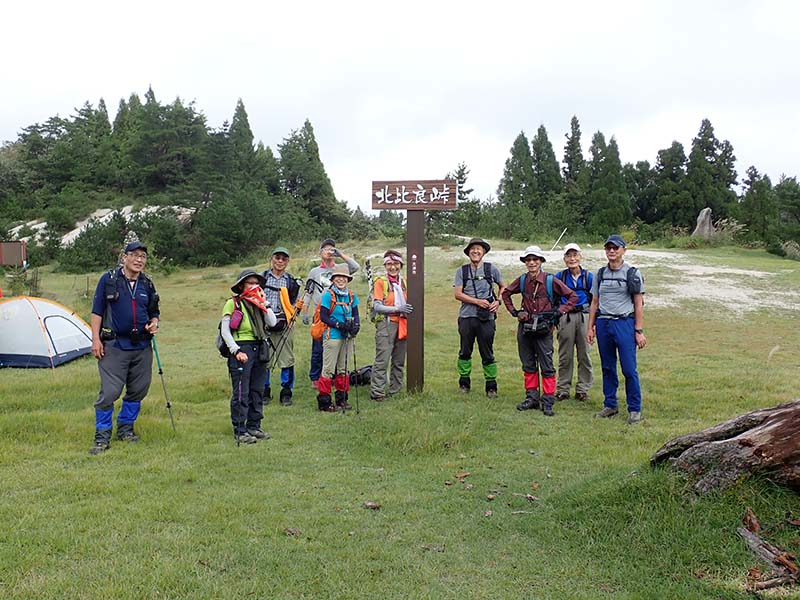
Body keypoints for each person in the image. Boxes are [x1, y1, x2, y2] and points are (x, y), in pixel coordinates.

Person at [88, 242, 160, 455]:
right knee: (110, 392)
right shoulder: (109, 280)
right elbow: (97, 311)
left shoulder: (147, 283)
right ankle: (101, 438)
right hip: (114, 345)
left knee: (139, 389)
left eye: (143, 257)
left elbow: (154, 310)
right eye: (135, 255)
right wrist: (95, 339)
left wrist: (154, 322)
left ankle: (125, 430)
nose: (139, 260)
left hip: (142, 345)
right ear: (124, 257)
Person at [501, 246, 577, 416]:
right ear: (525, 262)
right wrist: (515, 312)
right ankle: (532, 398)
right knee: (528, 364)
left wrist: (560, 311)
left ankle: (548, 400)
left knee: (547, 365)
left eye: (535, 259)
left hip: (544, 328)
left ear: (541, 261)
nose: (532, 263)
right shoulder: (522, 280)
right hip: (525, 328)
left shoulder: (550, 280)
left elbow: (573, 296)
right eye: (528, 260)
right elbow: (505, 293)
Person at [586, 234, 647, 424]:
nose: (612, 251)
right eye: (608, 248)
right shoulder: (600, 274)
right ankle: (610, 405)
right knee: (607, 367)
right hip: (604, 324)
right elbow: (594, 302)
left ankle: (634, 409)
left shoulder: (632, 273)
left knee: (629, 369)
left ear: (623, 251)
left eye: (616, 248)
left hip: (624, 324)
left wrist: (638, 331)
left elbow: (638, 303)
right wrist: (590, 328)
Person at [219, 269, 278, 444]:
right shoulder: (233, 303)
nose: (254, 286)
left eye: (256, 283)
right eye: (250, 283)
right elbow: (225, 331)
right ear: (241, 286)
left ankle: (254, 425)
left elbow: (272, 323)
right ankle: (240, 429)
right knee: (241, 392)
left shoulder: (260, 303)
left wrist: (264, 304)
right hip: (241, 349)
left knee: (257, 390)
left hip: (259, 348)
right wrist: (236, 351)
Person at [301, 239, 360, 388]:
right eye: (326, 249)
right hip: (321, 313)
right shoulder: (314, 271)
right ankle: (315, 378)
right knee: (318, 347)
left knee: (337, 345)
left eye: (332, 248)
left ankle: (333, 377)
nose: (329, 251)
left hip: (339, 312)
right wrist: (305, 312)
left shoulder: (341, 269)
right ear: (320, 253)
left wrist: (340, 254)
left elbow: (356, 266)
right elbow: (308, 292)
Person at [453, 237, 505, 398]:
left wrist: (498, 301)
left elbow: (503, 287)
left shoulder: (492, 269)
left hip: (487, 318)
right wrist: (477, 302)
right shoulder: (461, 271)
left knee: (487, 352)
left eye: (479, 249)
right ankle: (464, 384)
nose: (475, 251)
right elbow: (458, 294)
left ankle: (491, 387)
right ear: (468, 252)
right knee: (465, 351)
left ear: (483, 252)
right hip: (467, 317)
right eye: (472, 249)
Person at [369, 250, 413, 402]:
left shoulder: (405, 282)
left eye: (396, 264)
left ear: (401, 265)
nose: (393, 267)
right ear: (385, 265)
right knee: (383, 360)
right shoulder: (381, 282)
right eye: (389, 264)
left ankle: (395, 390)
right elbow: (377, 306)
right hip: (386, 324)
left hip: (403, 324)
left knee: (399, 360)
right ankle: (377, 392)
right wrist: (397, 309)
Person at [316, 264, 360, 412]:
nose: (341, 280)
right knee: (328, 369)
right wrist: (339, 325)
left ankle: (342, 399)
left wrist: (356, 326)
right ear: (333, 279)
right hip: (333, 335)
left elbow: (356, 314)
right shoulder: (329, 295)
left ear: (348, 280)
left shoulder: (352, 296)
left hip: (347, 336)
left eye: (344, 277)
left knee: (344, 369)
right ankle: (324, 402)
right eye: (338, 277)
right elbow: (323, 316)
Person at [554, 243, 594, 402]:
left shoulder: (589, 277)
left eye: (575, 255)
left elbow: (595, 300)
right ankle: (563, 389)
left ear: (580, 257)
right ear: (564, 259)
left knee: (584, 354)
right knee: (565, 354)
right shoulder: (559, 277)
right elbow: (554, 298)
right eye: (568, 256)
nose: (572, 259)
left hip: (584, 316)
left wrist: (593, 323)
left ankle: (583, 389)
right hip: (566, 317)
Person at [262, 247, 301, 406]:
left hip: (285, 324)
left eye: (283, 259)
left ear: (287, 262)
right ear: (272, 259)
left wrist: (292, 316)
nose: (280, 261)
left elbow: (295, 303)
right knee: (264, 359)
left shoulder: (290, 281)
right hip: (265, 324)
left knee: (287, 360)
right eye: (277, 257)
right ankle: (264, 391)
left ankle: (286, 392)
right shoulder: (262, 278)